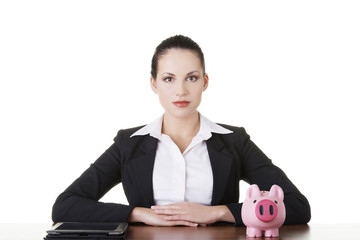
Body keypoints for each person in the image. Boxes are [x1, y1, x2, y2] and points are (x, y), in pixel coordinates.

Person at [52, 35, 311, 227]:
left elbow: (297, 206)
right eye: (168, 79)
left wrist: (219, 212)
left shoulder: (234, 142)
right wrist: (140, 214)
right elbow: (65, 206)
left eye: (191, 77)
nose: (181, 91)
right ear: (153, 83)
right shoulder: (128, 144)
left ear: (204, 82)